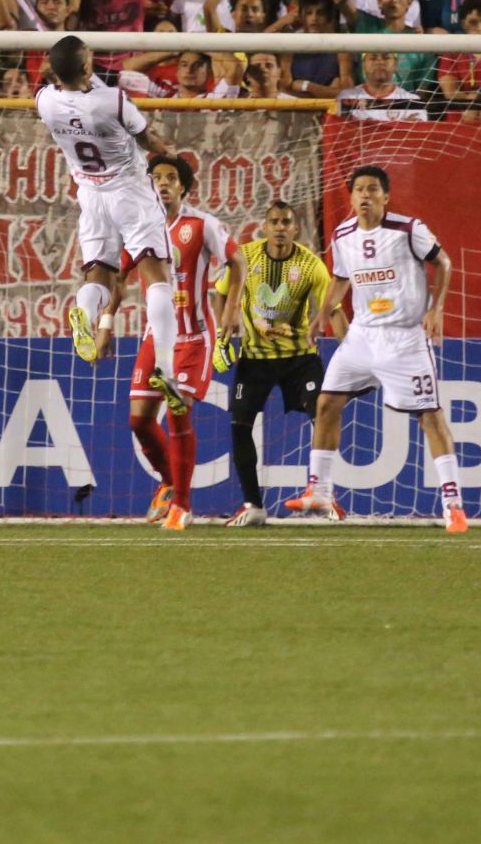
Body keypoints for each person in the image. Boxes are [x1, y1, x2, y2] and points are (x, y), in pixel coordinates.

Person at [297, 165, 468, 532]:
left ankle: (453, 505)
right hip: (361, 335)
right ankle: (319, 490)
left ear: (385, 197)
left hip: (404, 337)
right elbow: (341, 278)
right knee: (327, 403)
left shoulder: (408, 229)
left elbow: (444, 262)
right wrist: (321, 315)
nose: (365, 195)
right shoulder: (343, 234)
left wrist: (436, 309)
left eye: (373, 189)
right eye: (359, 189)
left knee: (430, 418)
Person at [36, 35, 187, 420]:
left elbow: (65, 84)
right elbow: (147, 138)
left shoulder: (45, 102)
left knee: (99, 275)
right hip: (130, 192)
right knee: (158, 279)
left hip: (89, 193)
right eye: (90, 60)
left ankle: (84, 315)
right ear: (87, 68)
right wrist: (169, 151)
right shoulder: (112, 102)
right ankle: (166, 367)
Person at [120, 154, 239, 531]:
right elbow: (119, 276)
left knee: (177, 411)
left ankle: (182, 507)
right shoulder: (139, 228)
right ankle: (170, 482)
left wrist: (230, 312)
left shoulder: (201, 225)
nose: (163, 184)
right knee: (139, 422)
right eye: (156, 178)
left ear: (184, 187)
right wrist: (105, 321)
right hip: (156, 339)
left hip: (194, 338)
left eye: (171, 178)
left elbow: (239, 264)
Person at [213, 200, 337, 527]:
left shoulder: (311, 266)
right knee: (240, 425)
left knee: (322, 415)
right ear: (264, 227)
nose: (280, 227)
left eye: (286, 222)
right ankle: (253, 506)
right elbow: (219, 292)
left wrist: (351, 347)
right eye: (274, 222)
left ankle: (325, 495)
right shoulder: (245, 257)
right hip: (255, 359)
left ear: (296, 229)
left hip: (300, 357)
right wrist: (220, 333)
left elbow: (333, 309)